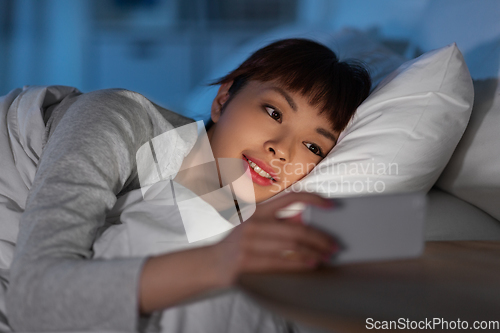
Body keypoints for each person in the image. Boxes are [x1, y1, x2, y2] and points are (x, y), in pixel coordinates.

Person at [5, 38, 370, 332]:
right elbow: (35, 302)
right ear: (223, 99)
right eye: (273, 112)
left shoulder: (239, 204)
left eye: (313, 147)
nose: (281, 150)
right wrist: (217, 263)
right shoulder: (114, 117)